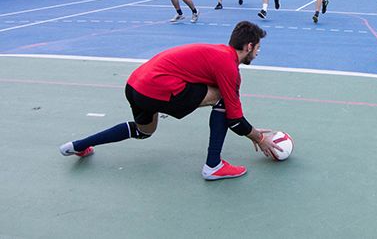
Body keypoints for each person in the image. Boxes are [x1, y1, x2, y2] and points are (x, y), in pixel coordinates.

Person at [59, 21, 282, 180]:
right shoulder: (228, 66)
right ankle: (213, 165)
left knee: (143, 131)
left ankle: (77, 146)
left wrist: (250, 131)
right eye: (258, 47)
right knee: (221, 99)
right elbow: (234, 119)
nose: (258, 52)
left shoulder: (217, 53)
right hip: (158, 87)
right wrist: (259, 137)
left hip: (135, 84)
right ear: (249, 46)